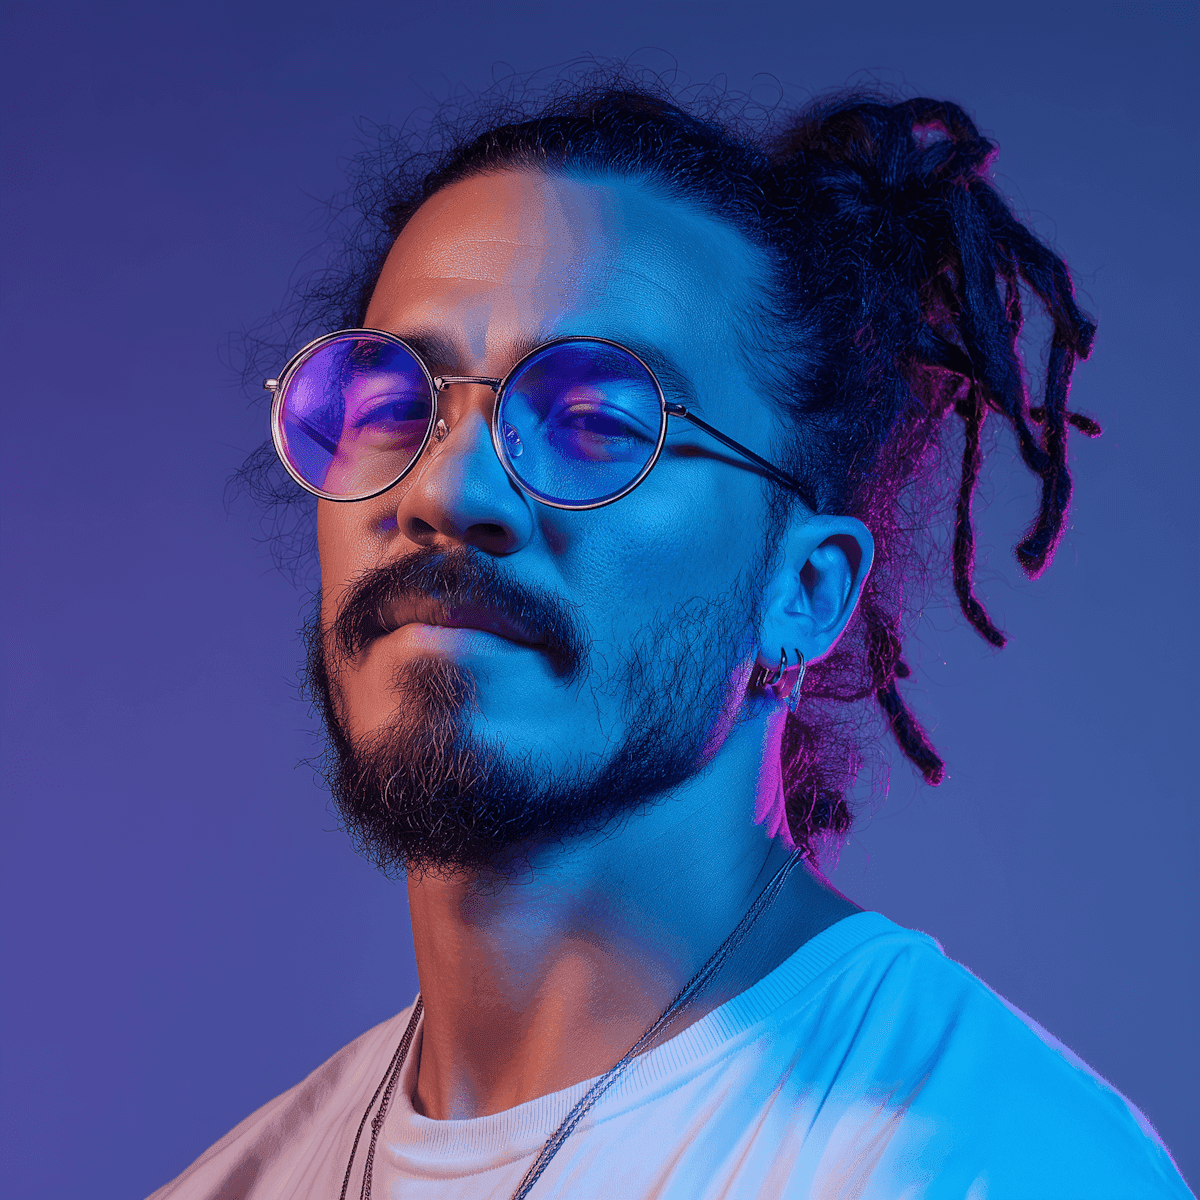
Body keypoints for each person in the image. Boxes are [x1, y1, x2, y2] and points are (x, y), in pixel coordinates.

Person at [150, 80, 1192, 1198]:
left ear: (803, 590)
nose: (448, 488)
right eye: (398, 405)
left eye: (601, 423)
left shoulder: (990, 1163)